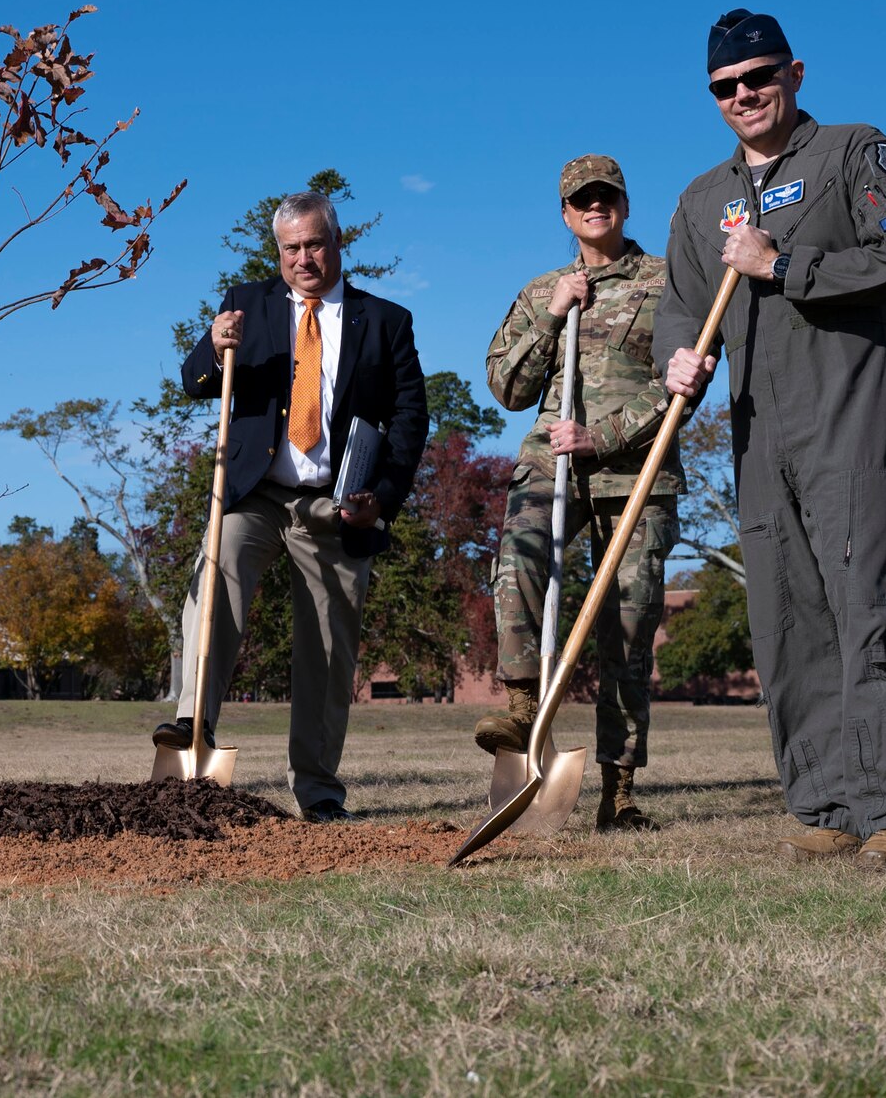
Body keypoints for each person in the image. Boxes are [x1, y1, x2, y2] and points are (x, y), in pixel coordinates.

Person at [659, 9, 886, 871]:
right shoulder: (702, 199)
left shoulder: (854, 152)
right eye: (726, 86)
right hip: (756, 439)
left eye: (760, 76)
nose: (745, 94)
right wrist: (680, 353)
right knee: (788, 622)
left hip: (847, 425)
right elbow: (681, 299)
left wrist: (784, 266)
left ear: (796, 73)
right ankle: (823, 805)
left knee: (872, 607)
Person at [154, 191, 428, 820]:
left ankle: (319, 790)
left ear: (338, 242)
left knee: (329, 647)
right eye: (291, 248)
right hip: (253, 493)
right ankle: (193, 723)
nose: (304, 258)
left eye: (314, 244)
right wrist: (212, 344)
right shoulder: (245, 303)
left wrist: (379, 503)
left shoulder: (385, 320)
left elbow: (412, 420)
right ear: (278, 252)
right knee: (217, 567)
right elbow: (193, 381)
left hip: (336, 502)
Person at [478, 154, 679, 830]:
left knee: (627, 626)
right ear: (566, 214)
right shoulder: (543, 290)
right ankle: (521, 706)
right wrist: (552, 316)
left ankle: (617, 790)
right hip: (549, 466)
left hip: (636, 475)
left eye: (606, 195)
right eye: (581, 199)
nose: (595, 206)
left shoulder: (667, 282)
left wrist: (604, 435)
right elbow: (505, 387)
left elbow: (684, 383)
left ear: (624, 203)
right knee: (519, 564)